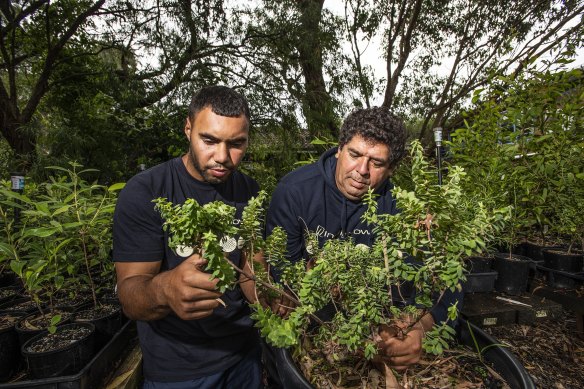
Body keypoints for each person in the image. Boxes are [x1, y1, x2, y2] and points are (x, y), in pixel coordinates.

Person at [265, 106, 462, 371]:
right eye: (354, 154)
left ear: (391, 168)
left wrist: (420, 328)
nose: (361, 170)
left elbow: (443, 281)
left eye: (377, 163)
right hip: (310, 330)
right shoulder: (294, 192)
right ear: (339, 149)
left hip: (371, 336)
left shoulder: (400, 208)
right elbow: (281, 277)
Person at [113, 85, 263, 388]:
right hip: (180, 369)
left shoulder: (250, 191)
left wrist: (273, 298)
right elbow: (129, 296)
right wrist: (164, 289)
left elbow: (252, 269)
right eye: (209, 140)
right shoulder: (146, 191)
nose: (222, 157)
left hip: (244, 356)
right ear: (187, 128)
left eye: (236, 143)